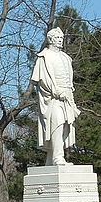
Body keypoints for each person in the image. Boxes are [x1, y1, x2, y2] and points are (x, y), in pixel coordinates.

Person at [31, 27, 81, 166]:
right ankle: (58, 157)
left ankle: (51, 159)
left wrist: (68, 95)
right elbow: (43, 80)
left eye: (61, 38)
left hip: (67, 97)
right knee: (56, 123)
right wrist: (57, 92)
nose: (60, 40)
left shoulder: (66, 58)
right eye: (57, 38)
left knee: (65, 126)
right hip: (53, 99)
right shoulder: (44, 57)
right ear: (50, 40)